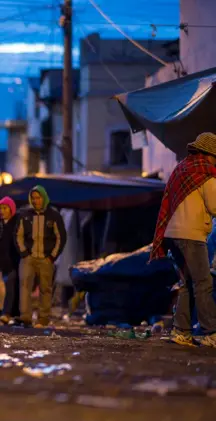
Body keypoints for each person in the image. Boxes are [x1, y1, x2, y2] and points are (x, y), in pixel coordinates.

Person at [150, 132, 216, 348]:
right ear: (209, 155)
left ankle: (182, 332)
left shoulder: (181, 169)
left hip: (172, 236)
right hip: (191, 235)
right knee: (204, 283)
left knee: (187, 283)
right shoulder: (206, 173)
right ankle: (211, 332)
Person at [15, 185, 67, 327]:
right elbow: (18, 235)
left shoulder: (54, 215)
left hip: (46, 258)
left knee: (45, 288)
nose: (36, 200)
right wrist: (24, 253)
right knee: (25, 287)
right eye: (33, 198)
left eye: (38, 198)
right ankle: (25, 317)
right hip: (28, 258)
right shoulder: (25, 215)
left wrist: (52, 256)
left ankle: (43, 320)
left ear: (44, 198)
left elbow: (61, 237)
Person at [0, 196, 20, 324]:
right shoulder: (1, 225)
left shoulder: (16, 224)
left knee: (10, 289)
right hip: (2, 262)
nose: (2, 211)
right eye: (0, 208)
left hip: (11, 263)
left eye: (5, 208)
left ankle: (7, 313)